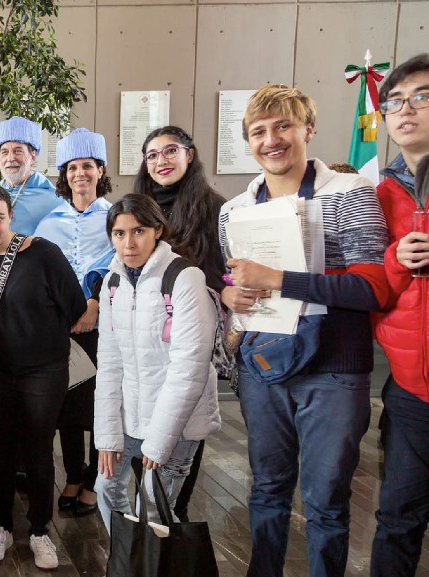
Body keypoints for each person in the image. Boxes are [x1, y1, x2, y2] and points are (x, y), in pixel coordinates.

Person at [219, 84, 389, 577]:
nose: (271, 140)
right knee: (267, 489)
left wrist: (281, 280)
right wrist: (231, 294)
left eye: (283, 126)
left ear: (307, 129)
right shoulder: (234, 209)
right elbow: (236, 282)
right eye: (259, 131)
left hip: (334, 367)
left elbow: (372, 288)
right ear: (248, 141)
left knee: (326, 501)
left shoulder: (348, 192)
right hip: (263, 363)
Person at [0, 185, 86, 569]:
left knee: (39, 450)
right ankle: (1, 526)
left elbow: (75, 306)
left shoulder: (43, 253)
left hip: (44, 370)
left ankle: (40, 529)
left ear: (11, 215)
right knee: (0, 451)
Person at [93, 193, 221, 532]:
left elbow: (189, 370)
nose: (128, 243)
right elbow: (109, 363)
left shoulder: (184, 277)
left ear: (157, 232)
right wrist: (107, 436)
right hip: (129, 418)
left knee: (151, 508)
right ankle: (127, 563)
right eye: (119, 234)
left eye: (138, 231)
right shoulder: (112, 282)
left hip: (175, 424)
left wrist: (159, 441)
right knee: (106, 489)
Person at [133, 125, 227, 522]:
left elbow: (225, 274)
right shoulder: (136, 207)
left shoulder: (215, 207)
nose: (161, 161)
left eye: (170, 151)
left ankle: (175, 511)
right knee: (146, 424)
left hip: (189, 332)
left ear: (190, 154)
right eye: (152, 155)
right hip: (144, 333)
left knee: (185, 419)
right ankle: (148, 515)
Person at [34, 128, 116, 517]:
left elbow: (120, 267)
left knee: (102, 405)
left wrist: (95, 303)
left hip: (106, 327)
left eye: (88, 166)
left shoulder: (116, 217)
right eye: (72, 167)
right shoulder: (49, 222)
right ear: (64, 174)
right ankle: (73, 473)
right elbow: (38, 274)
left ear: (101, 171)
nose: (80, 174)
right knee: (67, 404)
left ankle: (96, 482)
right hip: (61, 329)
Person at [369, 53, 429, 577]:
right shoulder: (378, 195)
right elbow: (372, 287)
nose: (405, 110)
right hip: (412, 388)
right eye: (394, 102)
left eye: (421, 97)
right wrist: (395, 258)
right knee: (397, 517)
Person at [0, 117, 59, 235]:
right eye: (4, 152)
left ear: (33, 156)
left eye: (18, 151)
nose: (10, 158)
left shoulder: (54, 200)